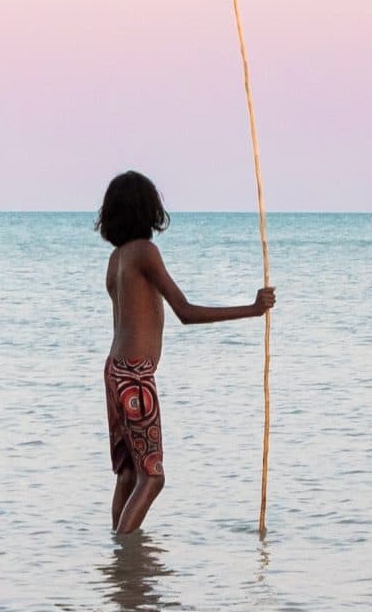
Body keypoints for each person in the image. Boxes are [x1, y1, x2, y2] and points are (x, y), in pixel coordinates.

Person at [97, 170, 274, 535]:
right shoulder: (145, 252)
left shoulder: (117, 258)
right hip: (135, 373)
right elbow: (185, 312)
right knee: (152, 478)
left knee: (130, 472)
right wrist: (252, 309)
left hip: (115, 370)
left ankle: (121, 558)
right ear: (148, 210)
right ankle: (124, 553)